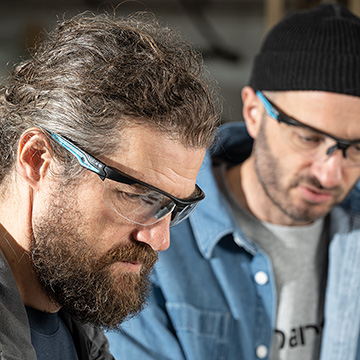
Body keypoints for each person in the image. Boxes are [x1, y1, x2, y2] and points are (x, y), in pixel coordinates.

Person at [105, 3, 360, 360]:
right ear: (255, 113)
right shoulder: (153, 236)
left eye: (355, 148)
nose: (329, 173)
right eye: (308, 138)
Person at [0, 11, 220, 360]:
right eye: (136, 197)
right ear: (37, 160)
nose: (160, 240)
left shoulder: (72, 306)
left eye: (174, 207)